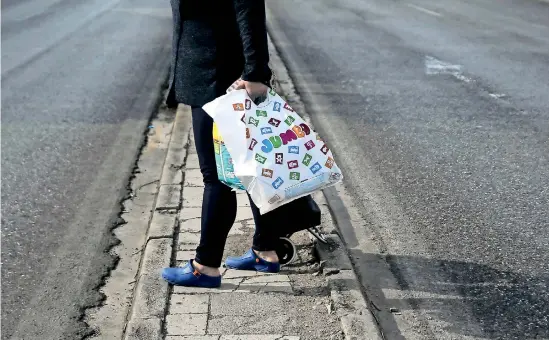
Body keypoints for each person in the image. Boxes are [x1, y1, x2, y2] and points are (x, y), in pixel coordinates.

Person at [161, 0, 280, 288]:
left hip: (218, 76)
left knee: (216, 177)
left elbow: (248, 8)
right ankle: (265, 251)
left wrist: (255, 72)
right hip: (209, 70)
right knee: (247, 168)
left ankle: (206, 266)